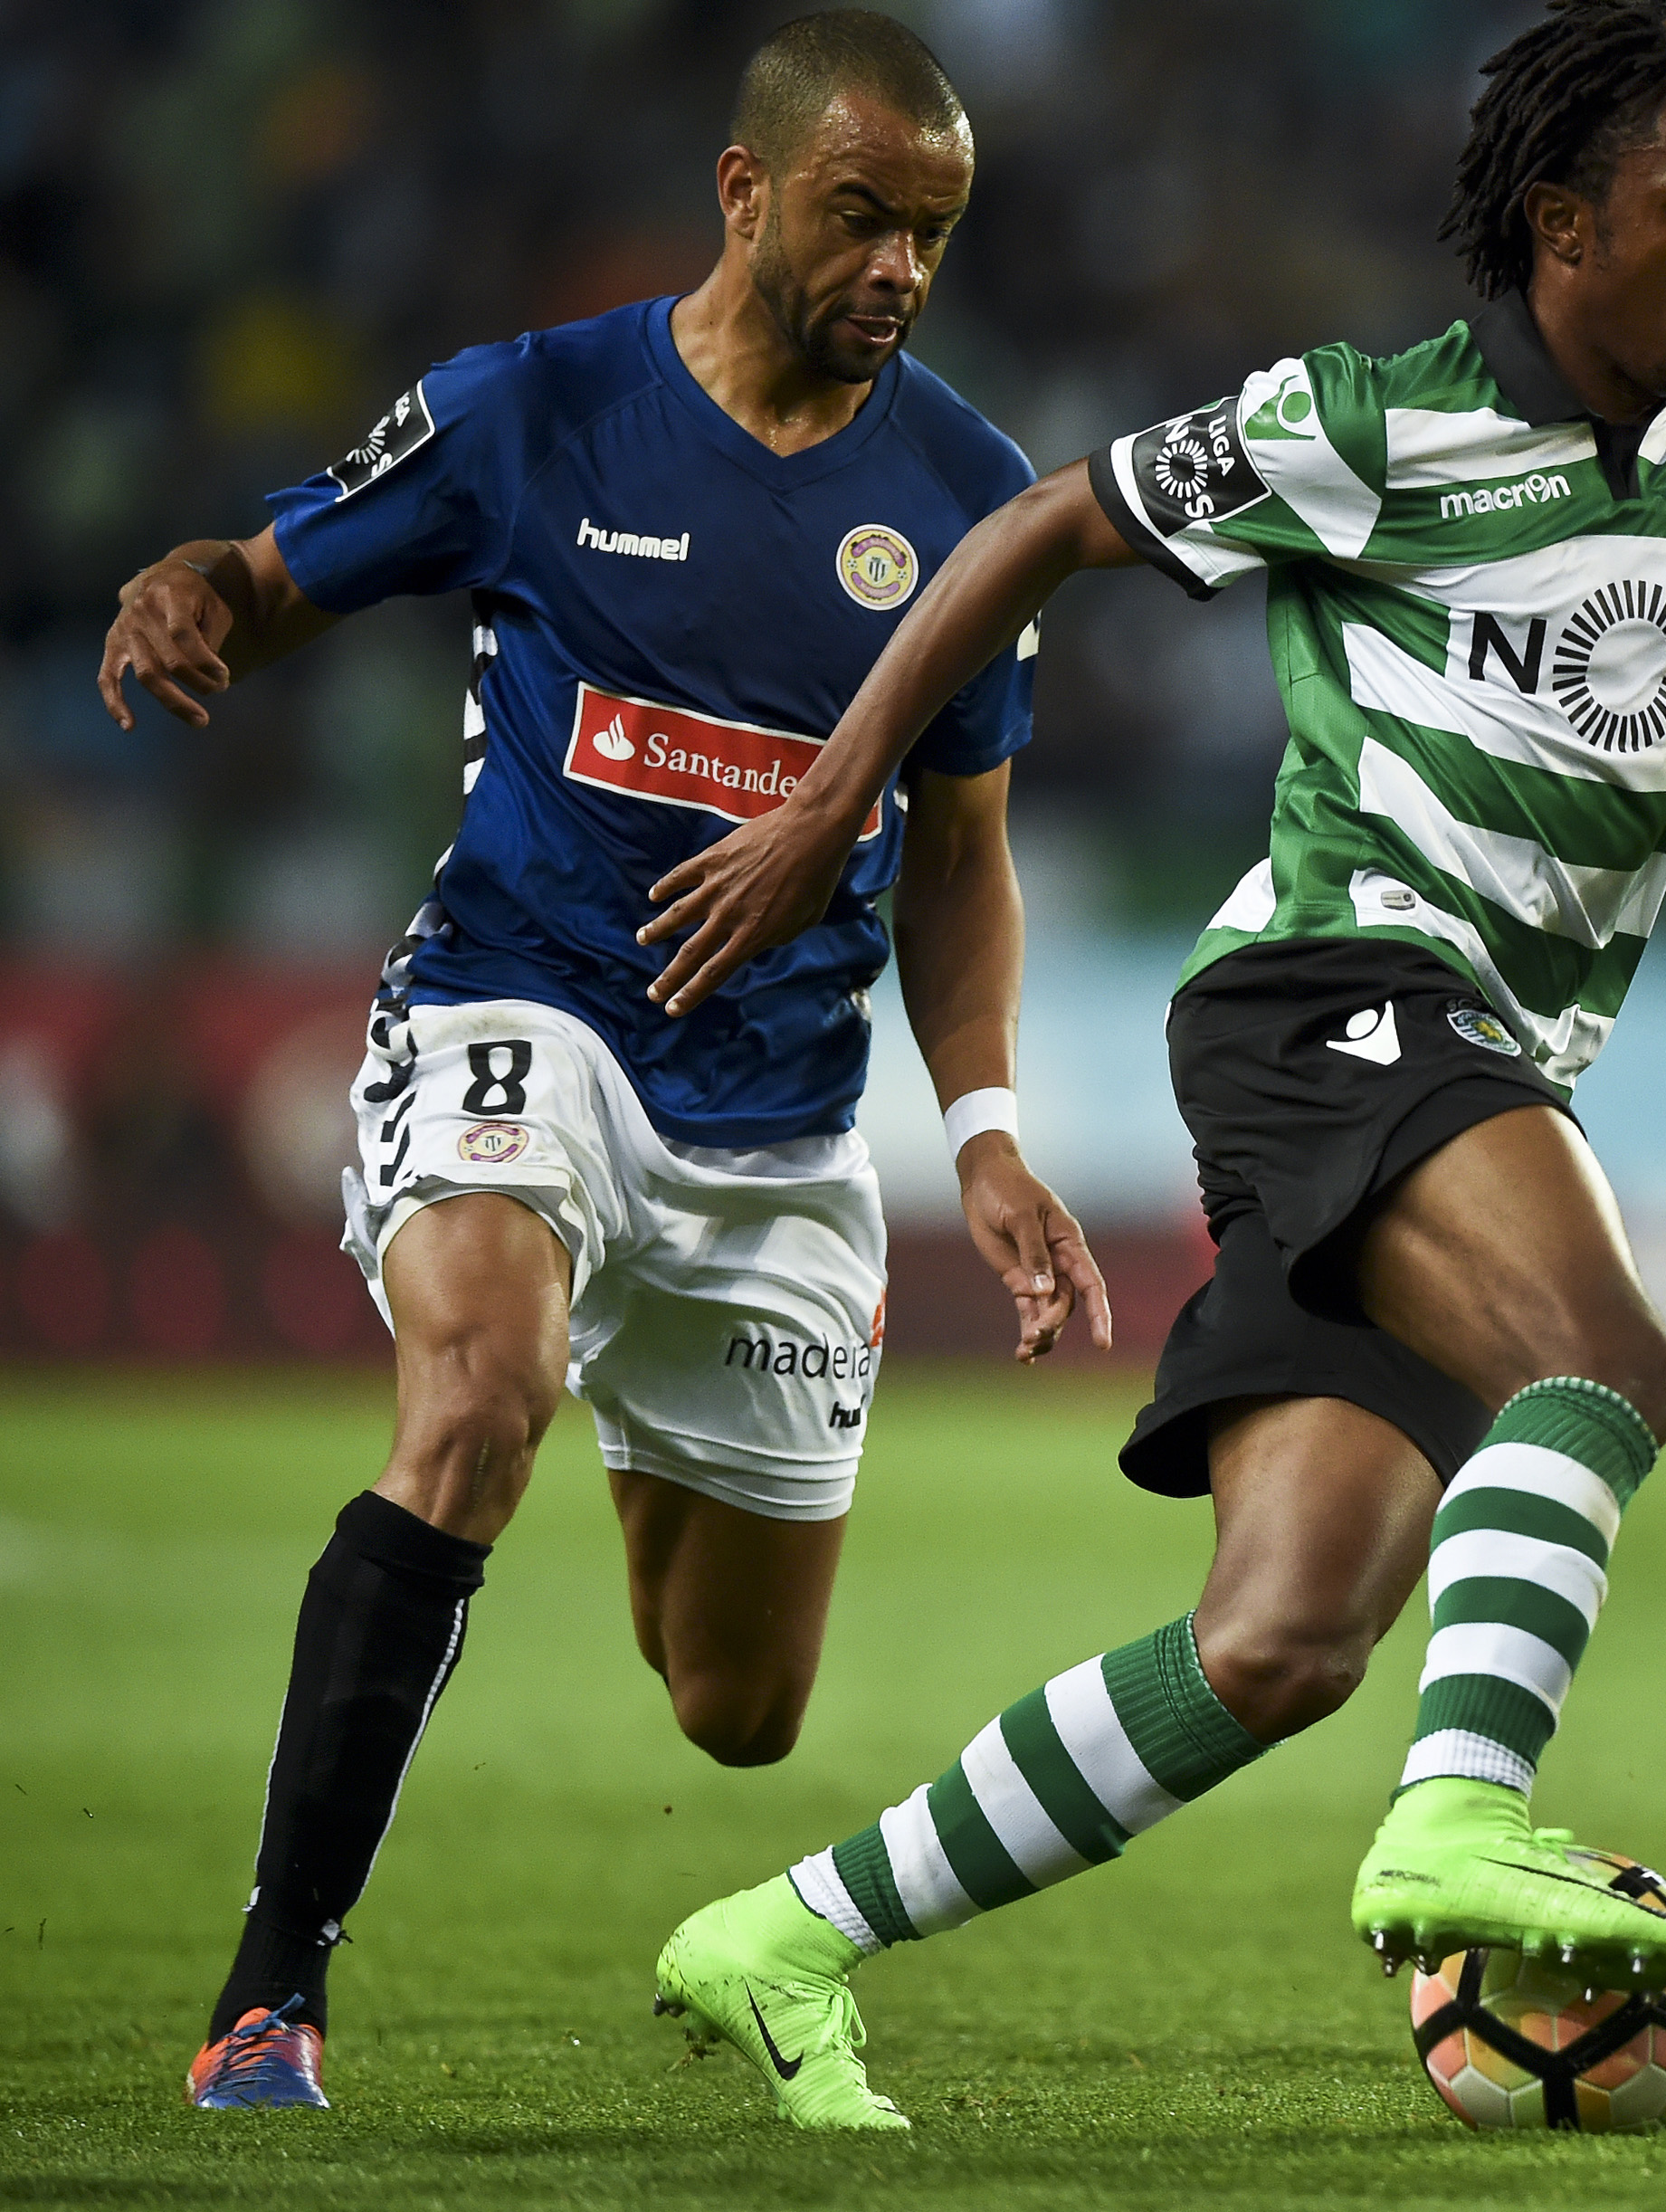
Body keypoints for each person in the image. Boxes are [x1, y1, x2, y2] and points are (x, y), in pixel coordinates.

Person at [627, 0, 1666, 2134]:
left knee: (1278, 1640)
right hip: (1331, 989)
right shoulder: (1367, 423)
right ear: (1561, 224)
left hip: (1464, 1054)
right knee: (1612, 1361)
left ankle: (783, 1933)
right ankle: (1460, 1814)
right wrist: (830, 799)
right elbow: (1041, 528)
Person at [98, 13, 1103, 2113]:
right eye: (862, 219)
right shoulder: (536, 411)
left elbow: (964, 858)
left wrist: (987, 1129)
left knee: (736, 1709)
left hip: (778, 1121)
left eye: (934, 233)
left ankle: (605, 1399)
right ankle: (269, 1994)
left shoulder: (972, 499)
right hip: (517, 1003)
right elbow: (265, 581)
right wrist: (183, 593)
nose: (901, 272)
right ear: (744, 192)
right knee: (475, 1393)